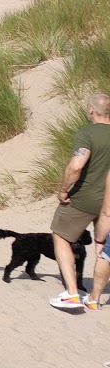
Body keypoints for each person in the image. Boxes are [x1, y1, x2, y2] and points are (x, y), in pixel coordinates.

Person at [47, 93, 110, 312]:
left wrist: (63, 190)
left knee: (61, 235)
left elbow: (76, 165)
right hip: (109, 202)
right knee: (103, 247)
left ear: (91, 111)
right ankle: (94, 298)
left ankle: (72, 293)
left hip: (85, 198)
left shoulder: (87, 133)